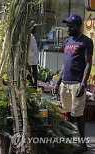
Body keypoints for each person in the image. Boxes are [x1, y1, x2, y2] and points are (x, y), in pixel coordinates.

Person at [53, 13, 94, 153]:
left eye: (71, 25)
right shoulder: (67, 41)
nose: (68, 27)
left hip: (77, 83)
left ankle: (83, 144)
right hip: (65, 82)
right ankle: (69, 139)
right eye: (67, 25)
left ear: (78, 26)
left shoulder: (86, 41)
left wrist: (83, 84)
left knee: (78, 114)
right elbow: (65, 63)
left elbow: (88, 64)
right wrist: (58, 82)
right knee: (68, 113)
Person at [27, 20, 39, 88]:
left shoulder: (32, 37)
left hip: (33, 62)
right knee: (31, 81)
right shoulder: (28, 37)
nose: (35, 29)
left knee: (34, 80)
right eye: (34, 28)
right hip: (30, 63)